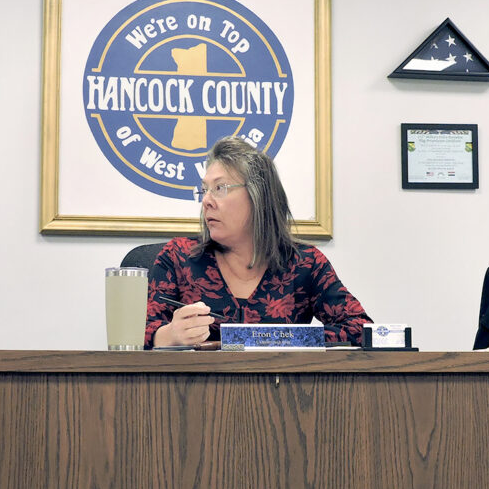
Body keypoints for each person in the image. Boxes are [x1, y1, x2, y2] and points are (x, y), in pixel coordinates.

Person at [147, 137, 371, 347]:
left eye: (220, 188)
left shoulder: (305, 263)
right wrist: (169, 335)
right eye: (205, 190)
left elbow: (360, 329)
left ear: (259, 195)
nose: (206, 201)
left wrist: (281, 338)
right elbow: (140, 335)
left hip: (279, 378)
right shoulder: (178, 257)